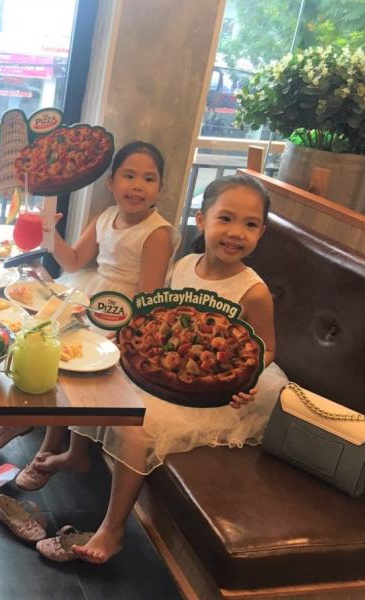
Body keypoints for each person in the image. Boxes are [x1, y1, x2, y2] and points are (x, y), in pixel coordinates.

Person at [64, 174, 288, 564]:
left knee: (138, 428)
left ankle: (112, 530)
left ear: (262, 232)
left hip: (214, 395)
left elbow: (266, 348)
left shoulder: (254, 291)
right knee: (94, 373)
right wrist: (128, 334)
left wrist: (248, 378)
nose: (236, 233)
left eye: (250, 224)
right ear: (201, 220)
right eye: (225, 218)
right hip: (167, 370)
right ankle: (74, 453)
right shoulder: (184, 264)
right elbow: (160, 316)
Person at [0, 142, 180, 490]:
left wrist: (121, 332)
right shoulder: (105, 216)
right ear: (111, 182)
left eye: (148, 179)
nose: (137, 186)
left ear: (160, 188)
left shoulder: (158, 233)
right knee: (37, 331)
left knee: (69, 357)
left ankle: (51, 449)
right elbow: (73, 262)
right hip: (92, 295)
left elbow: (148, 301)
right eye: (129, 176)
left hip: (125, 314)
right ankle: (23, 414)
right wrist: (50, 232)